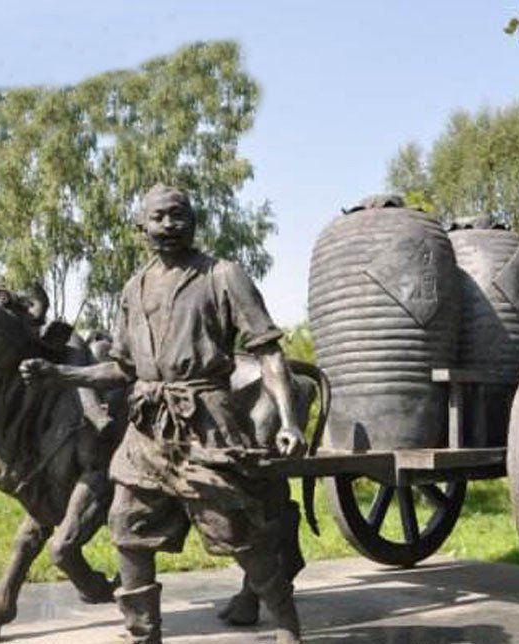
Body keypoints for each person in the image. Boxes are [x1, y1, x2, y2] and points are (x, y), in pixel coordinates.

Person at [20, 184, 307, 644]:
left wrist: (289, 420)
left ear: (194, 221)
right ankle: (142, 634)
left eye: (179, 216)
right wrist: (60, 373)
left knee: (238, 532)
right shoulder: (134, 288)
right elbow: (122, 368)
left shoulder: (223, 275)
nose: (169, 225)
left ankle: (288, 626)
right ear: (142, 227)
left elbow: (269, 353)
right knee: (125, 528)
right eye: (159, 218)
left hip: (208, 423)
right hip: (148, 430)